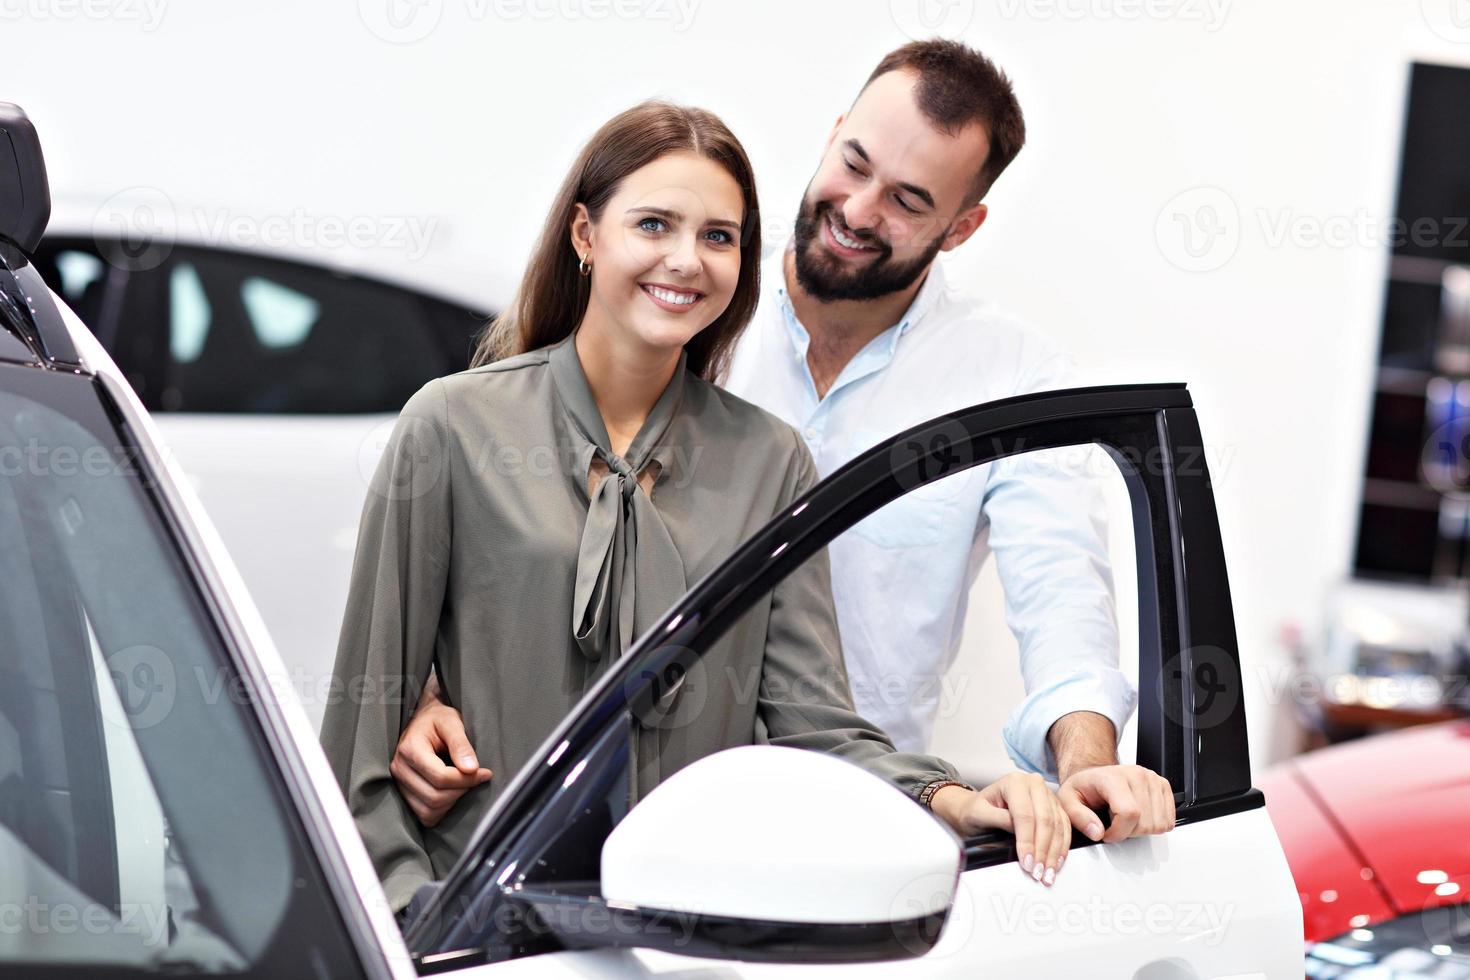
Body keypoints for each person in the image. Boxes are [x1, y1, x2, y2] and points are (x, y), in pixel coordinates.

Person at [392, 39, 1178, 882]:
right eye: (854, 163)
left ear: (962, 227)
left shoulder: (1009, 378)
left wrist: (1086, 759)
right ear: (834, 131)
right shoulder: (687, 302)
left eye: (909, 200)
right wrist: (429, 698)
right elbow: (506, 530)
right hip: (623, 814)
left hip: (857, 823)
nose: (860, 209)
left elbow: (1062, 594)